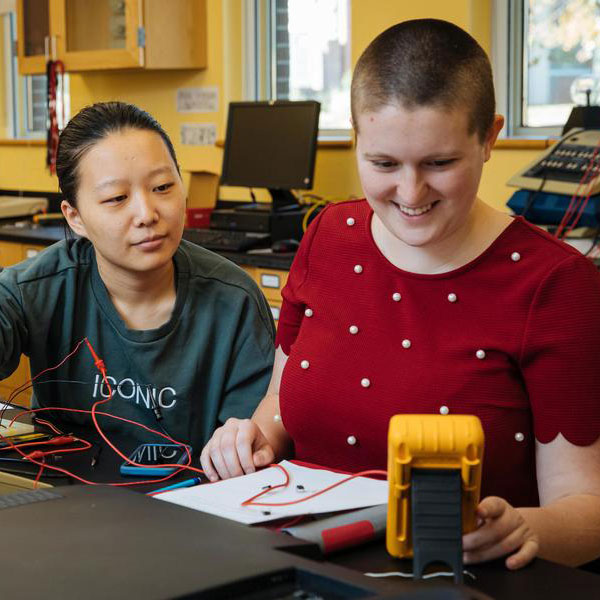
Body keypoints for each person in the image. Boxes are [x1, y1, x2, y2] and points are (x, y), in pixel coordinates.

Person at [200, 19, 600, 570]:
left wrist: (522, 529)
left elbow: (588, 509)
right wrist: (255, 439)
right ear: (357, 138)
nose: (410, 194)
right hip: (305, 563)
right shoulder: (328, 237)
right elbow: (281, 402)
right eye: (383, 164)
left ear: (490, 138)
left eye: (440, 163)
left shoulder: (556, 285)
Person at [0, 101, 275, 451]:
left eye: (162, 187)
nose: (147, 214)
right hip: (64, 496)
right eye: (116, 198)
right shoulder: (39, 288)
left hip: (186, 499)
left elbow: (250, 447)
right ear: (75, 217)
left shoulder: (234, 301)